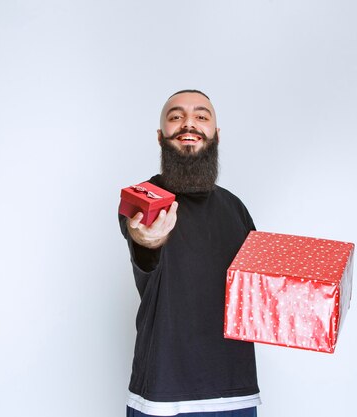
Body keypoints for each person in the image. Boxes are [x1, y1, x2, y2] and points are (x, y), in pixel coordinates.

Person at [119, 90, 261, 417]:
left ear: (216, 134)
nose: (189, 123)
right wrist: (147, 237)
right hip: (161, 397)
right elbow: (143, 239)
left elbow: (259, 291)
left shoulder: (236, 208)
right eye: (176, 116)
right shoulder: (144, 200)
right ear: (160, 136)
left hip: (236, 395)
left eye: (201, 116)